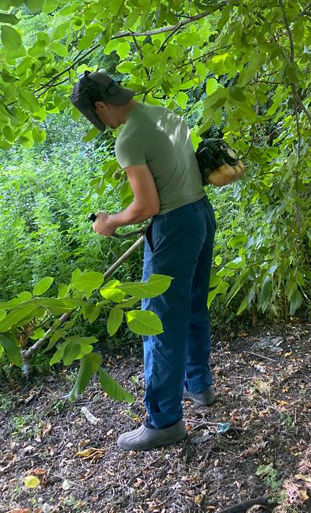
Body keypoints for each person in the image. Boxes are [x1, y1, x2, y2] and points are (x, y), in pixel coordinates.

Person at [70, 70, 217, 451]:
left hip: (172, 227)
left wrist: (110, 221)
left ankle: (164, 421)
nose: (100, 120)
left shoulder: (129, 137)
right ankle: (198, 386)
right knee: (194, 304)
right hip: (201, 214)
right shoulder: (166, 114)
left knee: (160, 322)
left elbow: (147, 206)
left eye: (95, 114)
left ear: (101, 106)